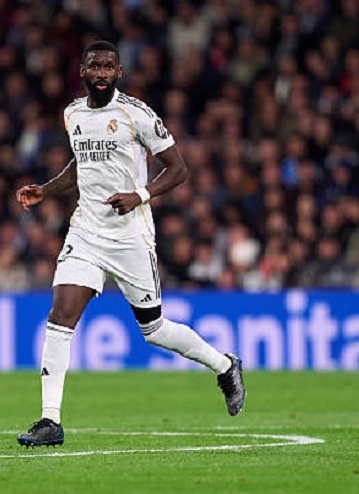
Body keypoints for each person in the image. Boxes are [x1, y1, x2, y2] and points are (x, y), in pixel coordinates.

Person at [15, 41, 246, 447]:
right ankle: (50, 420)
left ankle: (224, 365)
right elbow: (82, 165)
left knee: (154, 330)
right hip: (86, 231)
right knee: (60, 317)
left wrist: (139, 195)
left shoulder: (136, 114)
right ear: (82, 71)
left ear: (119, 72)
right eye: (94, 66)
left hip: (130, 236)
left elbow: (178, 169)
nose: (101, 73)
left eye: (108, 66)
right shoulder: (73, 114)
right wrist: (46, 190)